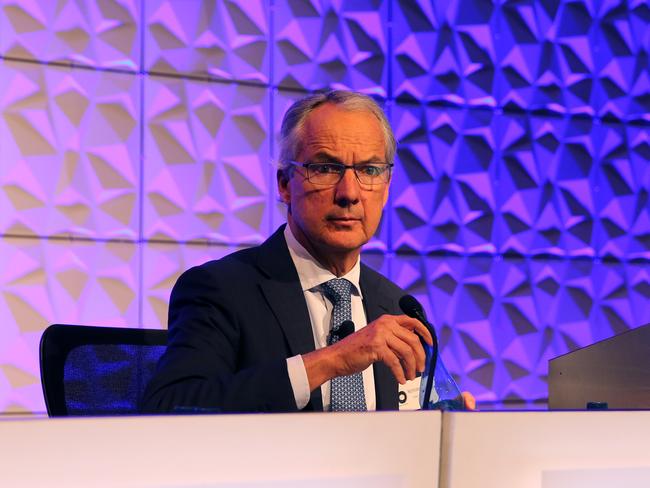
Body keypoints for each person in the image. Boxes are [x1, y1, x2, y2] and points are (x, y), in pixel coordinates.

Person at [141, 90, 475, 413]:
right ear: (284, 184)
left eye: (369, 171)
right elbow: (171, 406)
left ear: (386, 189)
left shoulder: (397, 307)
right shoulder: (221, 290)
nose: (349, 193)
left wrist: (443, 428)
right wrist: (332, 361)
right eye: (326, 168)